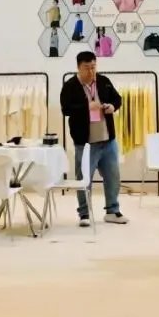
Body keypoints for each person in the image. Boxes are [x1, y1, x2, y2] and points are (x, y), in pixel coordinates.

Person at [59, 51, 128, 227]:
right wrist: (86, 107)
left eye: (93, 67)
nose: (91, 71)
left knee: (113, 177)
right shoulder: (70, 86)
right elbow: (66, 109)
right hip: (85, 143)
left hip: (108, 140)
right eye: (86, 68)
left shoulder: (103, 81)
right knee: (84, 180)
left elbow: (118, 99)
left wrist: (112, 106)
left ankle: (112, 211)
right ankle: (84, 213)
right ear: (78, 68)